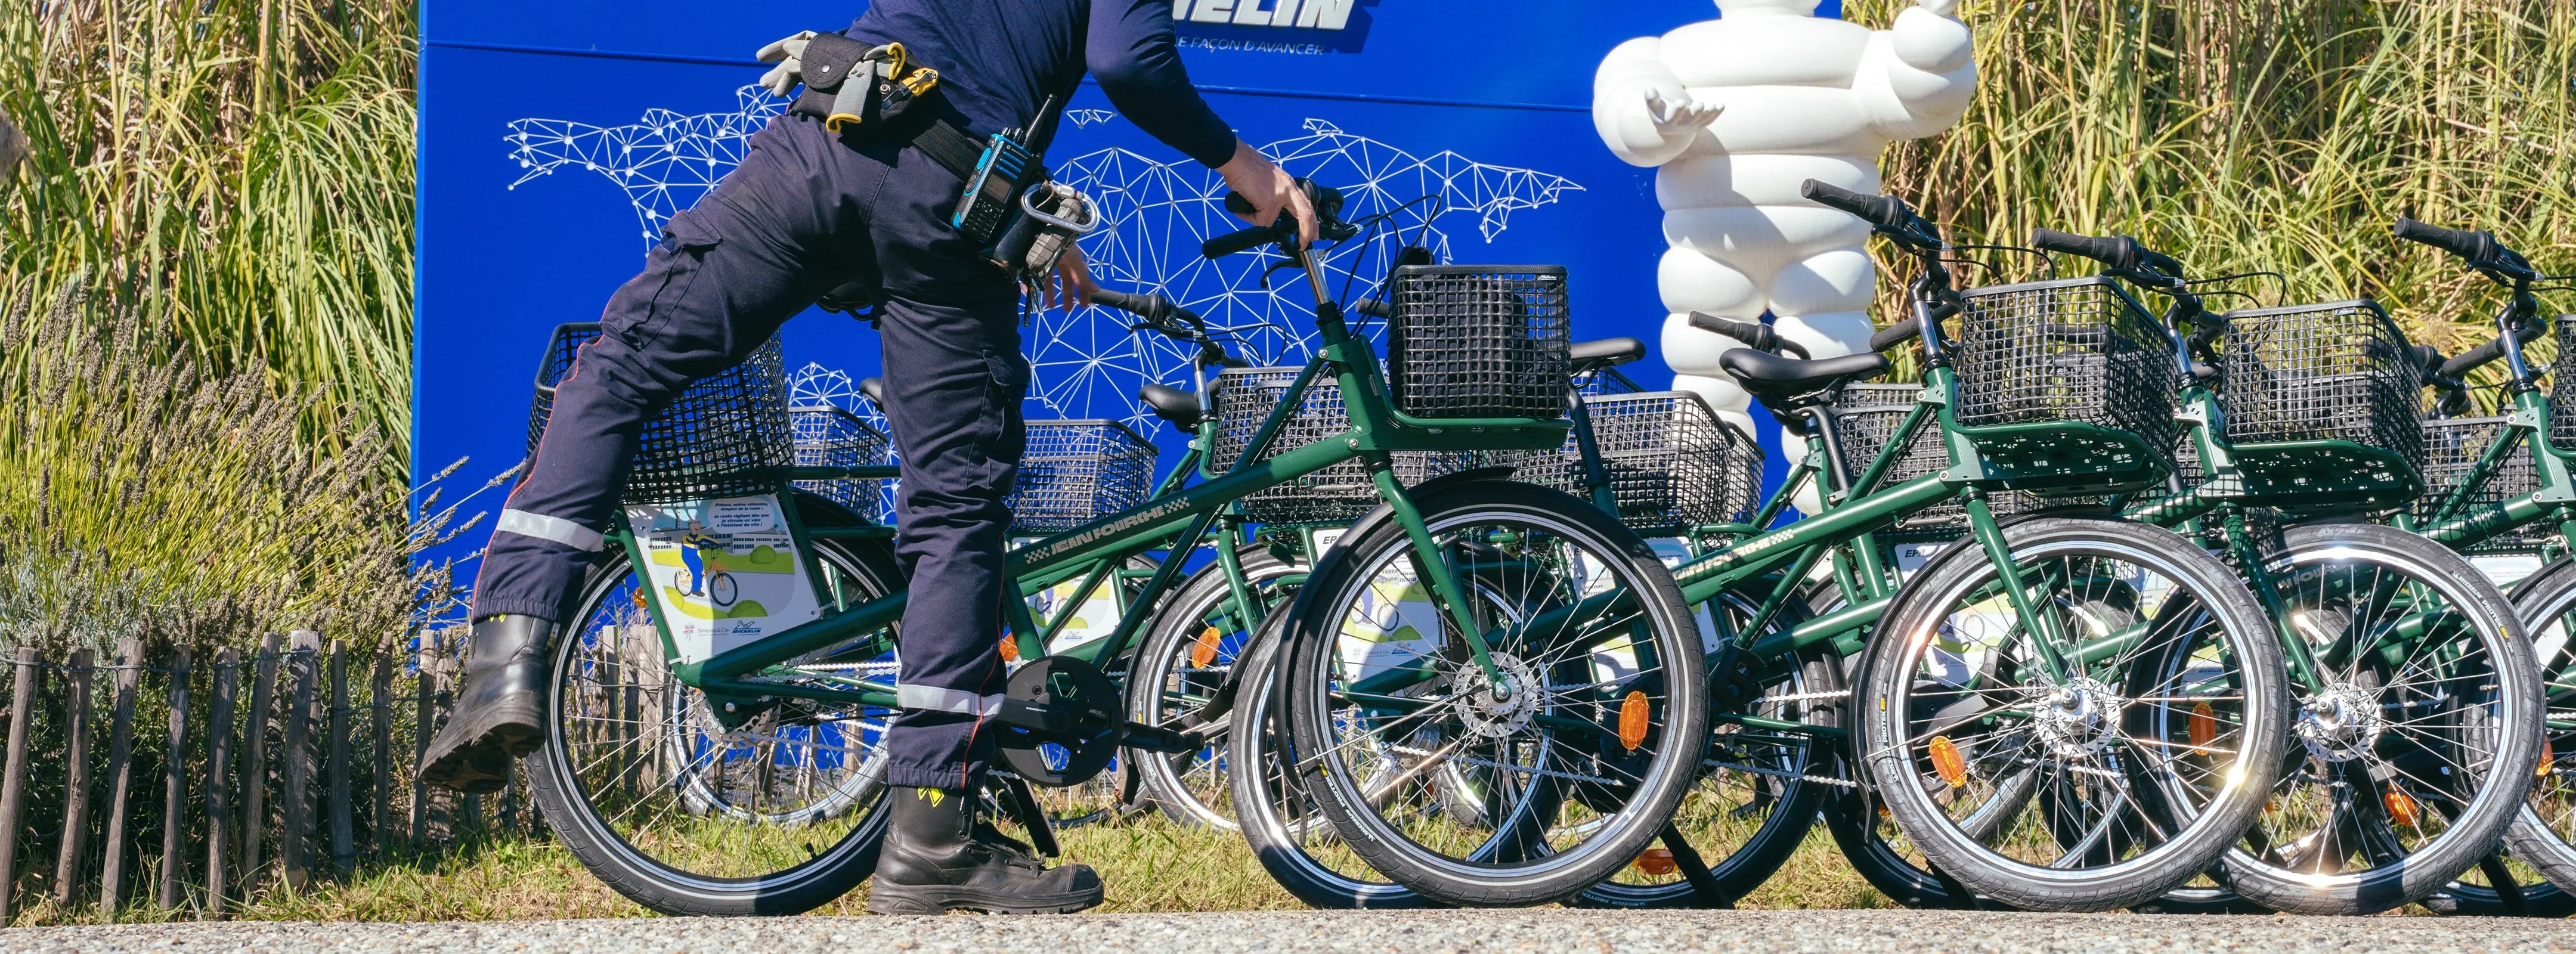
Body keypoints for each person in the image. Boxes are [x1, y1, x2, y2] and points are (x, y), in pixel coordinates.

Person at [418, 0, 1318, 915]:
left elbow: (968, 53)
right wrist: (1249, 169)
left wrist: (1035, 216)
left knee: (620, 368)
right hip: (946, 217)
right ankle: (930, 837)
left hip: (830, 148)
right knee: (954, 512)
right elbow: (1130, 62)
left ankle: (505, 658)